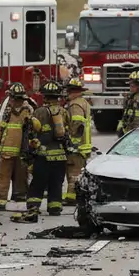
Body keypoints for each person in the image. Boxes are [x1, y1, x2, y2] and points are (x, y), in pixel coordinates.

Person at [12, 79, 69, 221]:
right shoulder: (64, 112)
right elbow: (68, 132)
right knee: (56, 183)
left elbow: (32, 133)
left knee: (38, 183)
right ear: (58, 97)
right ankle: (54, 206)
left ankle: (33, 206)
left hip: (43, 156)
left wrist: (29, 152)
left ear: (45, 97)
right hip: (60, 156)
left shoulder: (39, 112)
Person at [0, 82, 32, 208]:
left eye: (17, 99)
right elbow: (1, 126)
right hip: (12, 151)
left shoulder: (25, 110)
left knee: (17, 176)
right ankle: (2, 199)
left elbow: (30, 130)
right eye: (15, 99)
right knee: (4, 177)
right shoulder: (17, 110)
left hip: (17, 151)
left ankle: (15, 198)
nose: (15, 101)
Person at [62, 76, 92, 206]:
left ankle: (72, 197)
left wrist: (71, 141)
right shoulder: (83, 102)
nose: (67, 95)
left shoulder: (75, 104)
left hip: (76, 147)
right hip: (83, 145)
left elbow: (77, 123)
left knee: (73, 172)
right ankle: (76, 196)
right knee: (78, 171)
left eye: (68, 92)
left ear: (72, 91)